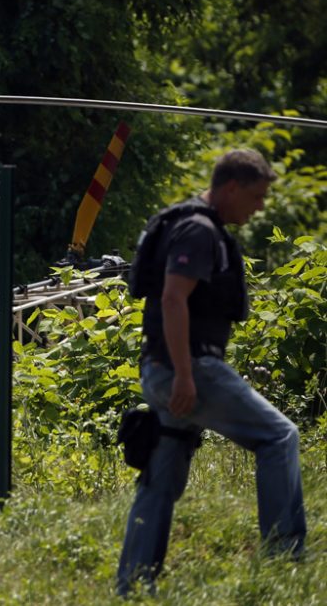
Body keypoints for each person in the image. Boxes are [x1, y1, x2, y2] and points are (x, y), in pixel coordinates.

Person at [116, 149, 306, 596]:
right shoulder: (199, 231)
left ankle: (133, 585)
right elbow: (171, 300)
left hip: (167, 367)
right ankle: (285, 561)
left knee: (161, 475)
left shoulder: (194, 225)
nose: (259, 208)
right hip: (188, 367)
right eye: (256, 197)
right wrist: (185, 374)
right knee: (279, 437)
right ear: (232, 188)